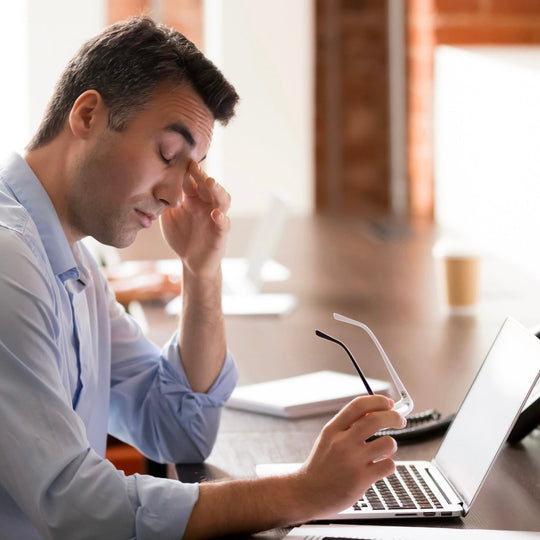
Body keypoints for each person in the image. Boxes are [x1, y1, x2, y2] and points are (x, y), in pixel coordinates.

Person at [0, 16, 405, 539]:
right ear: (88, 114)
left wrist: (201, 268)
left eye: (189, 169)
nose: (174, 193)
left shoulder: (72, 260)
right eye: (167, 154)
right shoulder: (10, 260)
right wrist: (301, 492)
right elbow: (75, 505)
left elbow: (177, 429)